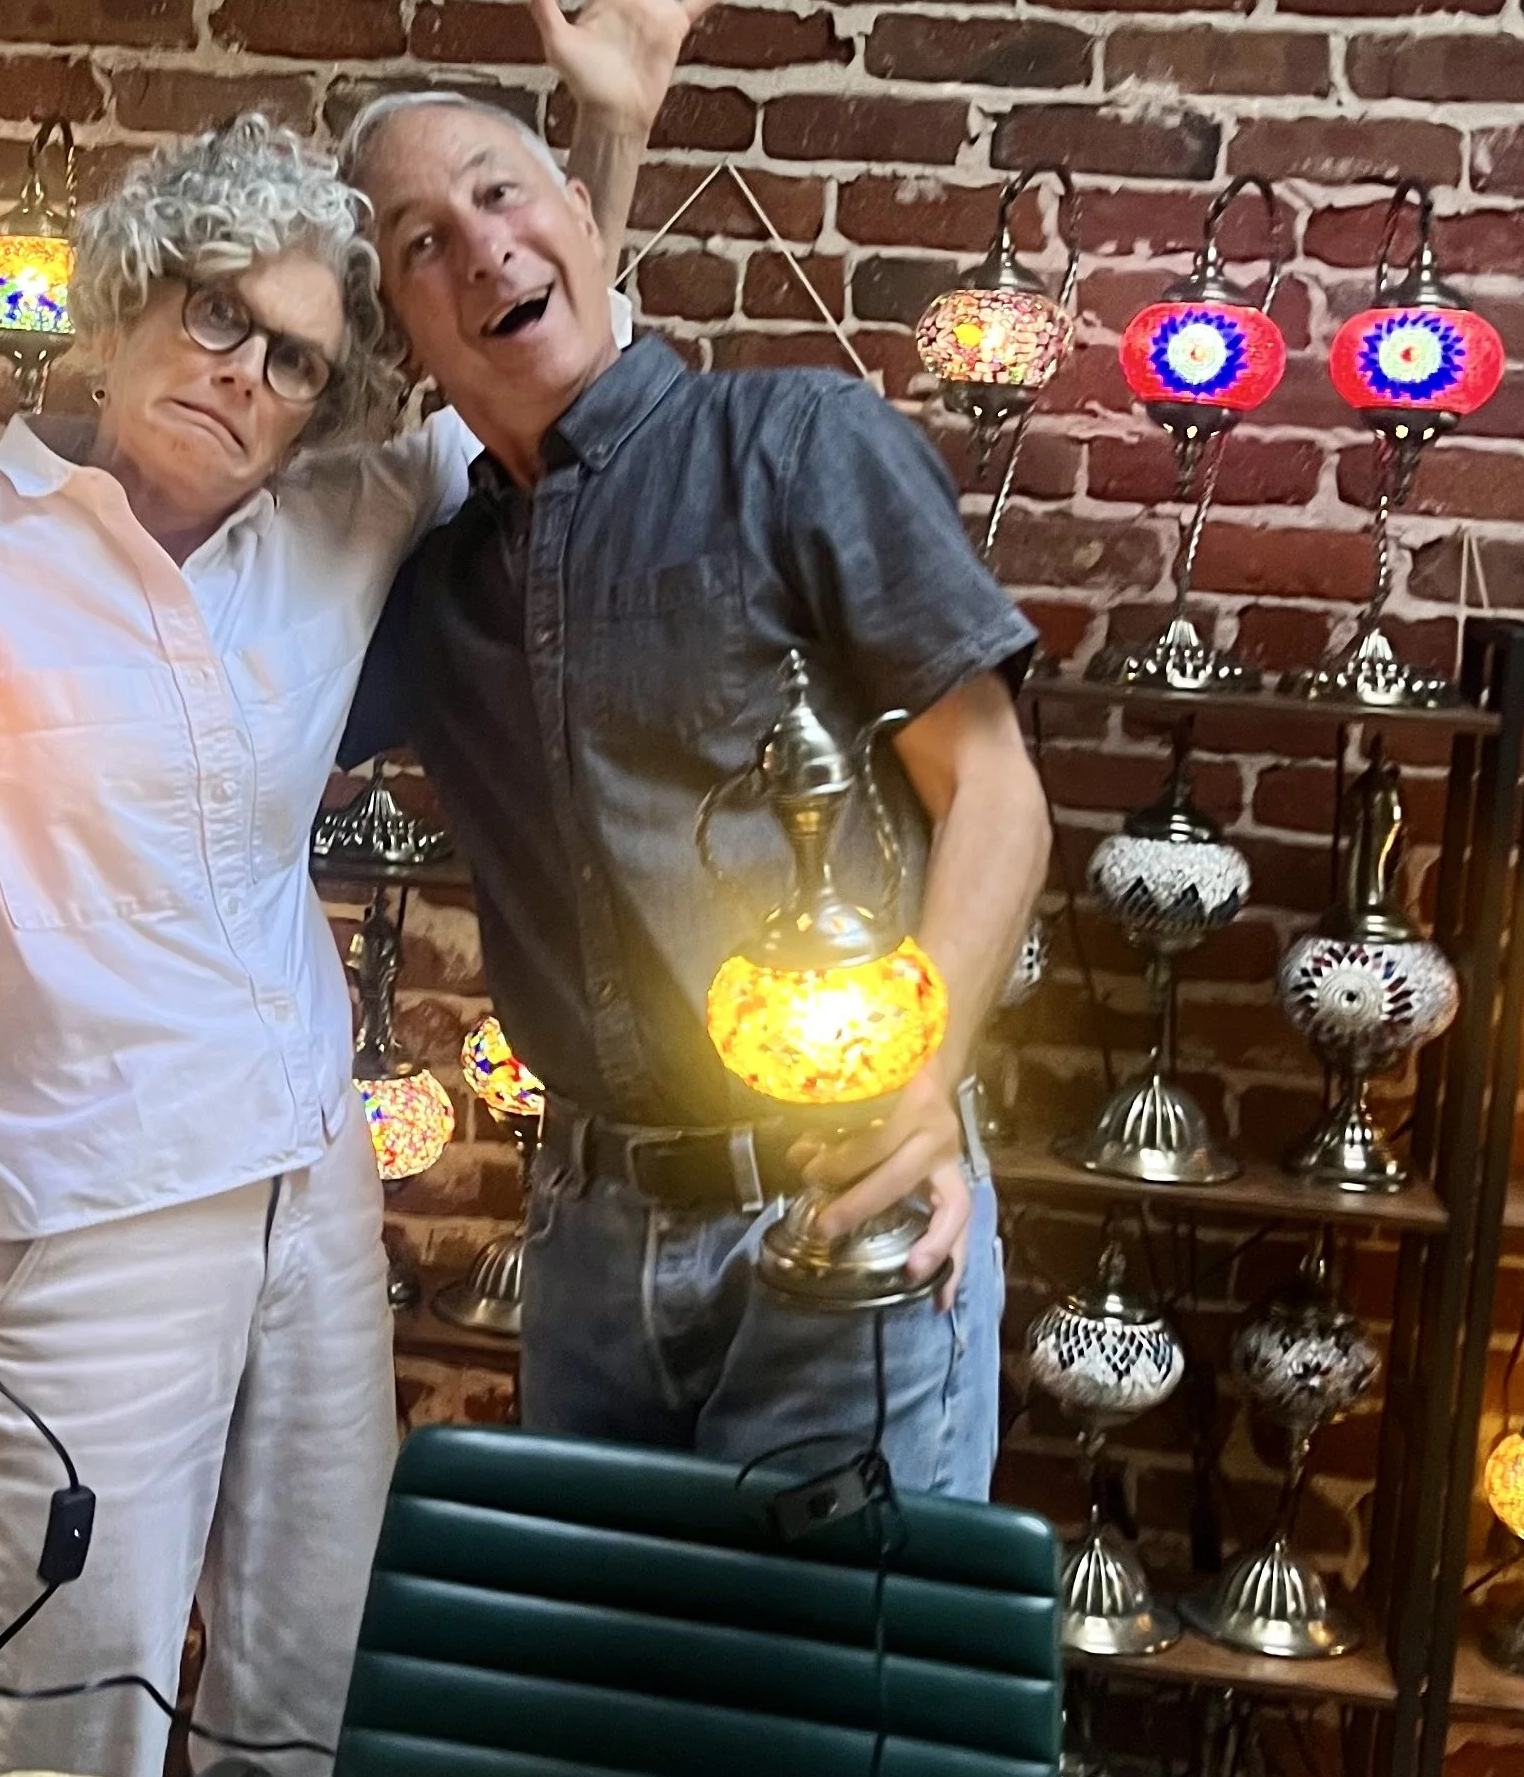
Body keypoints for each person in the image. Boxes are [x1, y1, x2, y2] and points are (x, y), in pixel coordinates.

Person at [0, 0, 744, 1777]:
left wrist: (613, 122)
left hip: (308, 1190)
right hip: (72, 1223)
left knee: (303, 1689)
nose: (248, 379)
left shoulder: (331, 525)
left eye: (297, 363)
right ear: (121, 309)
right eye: (216, 323)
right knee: (71, 1727)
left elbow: (540, 337)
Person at [340, 87, 1051, 1503]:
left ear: (581, 218)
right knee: (621, 1697)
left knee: (822, 1703)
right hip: (592, 1243)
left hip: (839, 1188)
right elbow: (192, 647)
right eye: (421, 245)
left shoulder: (797, 445)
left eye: (499, 194)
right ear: (399, 335)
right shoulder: (433, 592)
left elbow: (996, 792)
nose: (480, 251)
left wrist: (923, 1084)